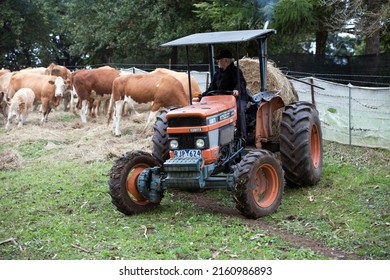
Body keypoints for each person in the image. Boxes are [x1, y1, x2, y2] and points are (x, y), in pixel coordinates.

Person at [201, 49, 248, 141]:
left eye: (219, 60)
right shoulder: (218, 73)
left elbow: (241, 83)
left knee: (239, 110)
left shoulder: (236, 71)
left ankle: (241, 135)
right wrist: (202, 95)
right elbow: (212, 87)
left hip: (236, 98)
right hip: (220, 99)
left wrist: (237, 90)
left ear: (226, 61)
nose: (217, 61)